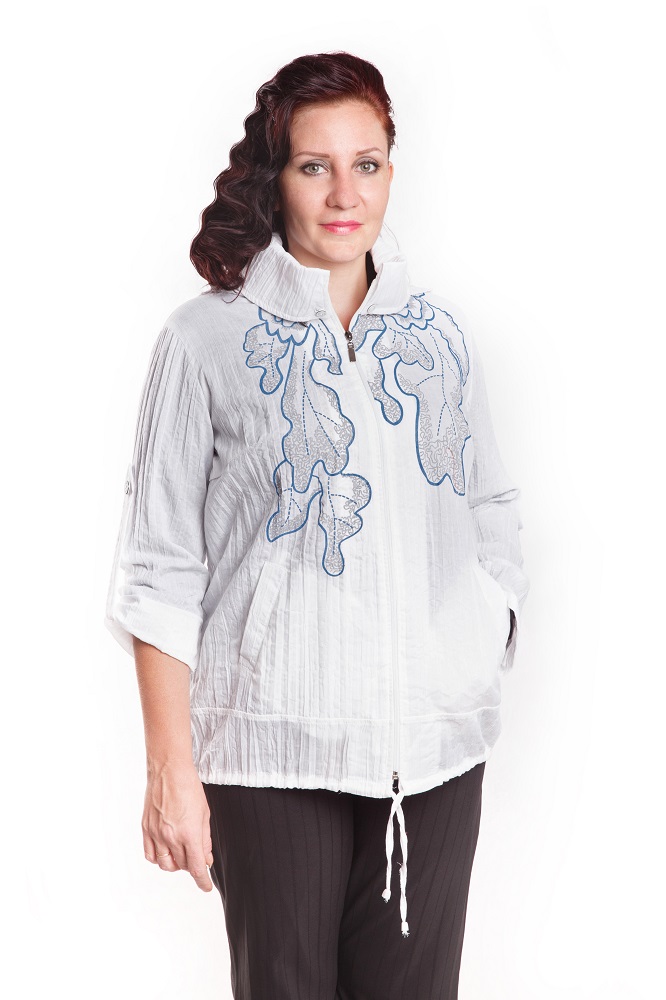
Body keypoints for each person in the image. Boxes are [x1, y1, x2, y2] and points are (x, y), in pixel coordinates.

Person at [104, 51, 530, 1000]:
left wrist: (482, 633)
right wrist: (171, 769)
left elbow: (490, 505)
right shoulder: (203, 341)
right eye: (315, 166)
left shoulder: (440, 337)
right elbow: (159, 566)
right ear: (278, 176)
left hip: (433, 758)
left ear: (391, 172)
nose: (345, 194)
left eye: (366, 164)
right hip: (272, 756)